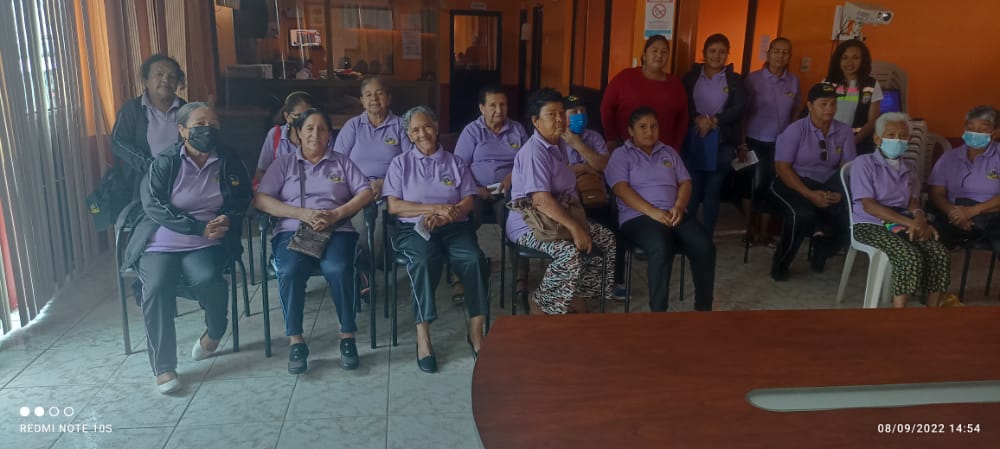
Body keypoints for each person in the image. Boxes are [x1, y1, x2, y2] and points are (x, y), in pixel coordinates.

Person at [122, 102, 252, 394]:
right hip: (162, 239)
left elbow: (243, 196)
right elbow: (153, 204)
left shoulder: (228, 160)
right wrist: (195, 227)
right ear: (182, 130)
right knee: (156, 286)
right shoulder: (165, 162)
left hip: (208, 239)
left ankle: (215, 331)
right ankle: (164, 367)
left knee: (207, 278)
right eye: (199, 124)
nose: (208, 130)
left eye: (213, 124)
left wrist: (229, 218)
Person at [255, 108, 374, 375]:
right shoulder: (284, 163)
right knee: (289, 270)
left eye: (322, 129)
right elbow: (261, 199)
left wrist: (336, 214)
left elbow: (365, 192)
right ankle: (296, 339)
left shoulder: (341, 162)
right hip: (292, 230)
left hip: (337, 230)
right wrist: (302, 214)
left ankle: (347, 335)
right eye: (309, 128)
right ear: (298, 133)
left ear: (330, 134)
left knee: (338, 268)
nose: (315, 134)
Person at [383, 106, 490, 373]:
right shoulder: (400, 164)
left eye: (427, 127)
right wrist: (434, 209)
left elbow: (468, 200)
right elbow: (394, 206)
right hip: (414, 228)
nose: (423, 134)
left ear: (436, 126)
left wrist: (447, 216)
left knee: (474, 259)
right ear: (409, 135)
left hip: (454, 226)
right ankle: (423, 336)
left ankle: (476, 331)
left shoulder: (455, 162)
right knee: (422, 261)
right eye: (416, 130)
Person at [507, 88, 617, 315]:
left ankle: (577, 295)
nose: (559, 119)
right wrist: (575, 228)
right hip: (530, 225)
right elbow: (541, 200)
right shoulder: (534, 152)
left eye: (560, 113)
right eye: (551, 114)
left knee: (605, 240)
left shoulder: (559, 145)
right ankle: (540, 303)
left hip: (558, 217)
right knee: (569, 252)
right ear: (536, 121)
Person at [605, 107, 715, 311]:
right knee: (661, 245)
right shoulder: (621, 155)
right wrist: (653, 212)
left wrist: (679, 206)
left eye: (654, 126)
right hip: (638, 217)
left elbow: (685, 182)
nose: (649, 132)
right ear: (630, 131)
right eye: (643, 127)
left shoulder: (669, 152)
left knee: (704, 244)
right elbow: (620, 189)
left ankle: (703, 309)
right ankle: (658, 314)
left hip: (673, 213)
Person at [850, 112, 948, 308]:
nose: (897, 140)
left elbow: (913, 200)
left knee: (939, 253)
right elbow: (869, 205)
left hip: (903, 221)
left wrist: (919, 218)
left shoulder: (909, 167)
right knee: (909, 255)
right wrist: (910, 223)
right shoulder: (864, 163)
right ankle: (899, 313)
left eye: (903, 136)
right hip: (870, 223)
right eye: (891, 135)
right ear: (877, 139)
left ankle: (933, 312)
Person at [770, 83, 857, 281]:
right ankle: (781, 264)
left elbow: (848, 167)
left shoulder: (843, 131)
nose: (829, 109)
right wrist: (809, 194)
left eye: (833, 104)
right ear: (810, 106)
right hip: (793, 181)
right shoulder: (795, 130)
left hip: (827, 183)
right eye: (823, 104)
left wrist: (841, 193)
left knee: (854, 215)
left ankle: (823, 249)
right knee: (802, 215)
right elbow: (782, 167)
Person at [334, 77, 412, 295]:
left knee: (378, 223)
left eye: (379, 93)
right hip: (356, 190)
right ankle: (363, 271)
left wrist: (384, 183)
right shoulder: (353, 126)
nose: (374, 99)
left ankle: (362, 270)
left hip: (390, 190)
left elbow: (411, 164)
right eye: (368, 95)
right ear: (361, 100)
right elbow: (337, 163)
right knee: (357, 222)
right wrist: (361, 186)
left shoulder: (401, 126)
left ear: (388, 97)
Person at [454, 85, 530, 296]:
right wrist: (476, 189)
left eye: (503, 105)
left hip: (508, 191)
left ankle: (521, 276)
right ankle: (461, 274)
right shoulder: (472, 131)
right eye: (493, 105)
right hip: (476, 191)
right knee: (465, 220)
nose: (499, 110)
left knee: (514, 220)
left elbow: (527, 161)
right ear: (482, 108)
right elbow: (458, 166)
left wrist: (511, 176)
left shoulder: (517, 130)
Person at [681, 33, 747, 235]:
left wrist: (714, 121)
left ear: (728, 54)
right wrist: (698, 119)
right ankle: (689, 235)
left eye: (722, 52)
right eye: (712, 51)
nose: (717, 56)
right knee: (692, 189)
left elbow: (739, 108)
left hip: (722, 142)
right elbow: (682, 104)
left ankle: (707, 236)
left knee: (713, 191)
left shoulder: (735, 80)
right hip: (694, 140)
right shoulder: (690, 77)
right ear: (704, 53)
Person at [740, 37, 800, 245]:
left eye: (785, 52)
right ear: (768, 54)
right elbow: (743, 113)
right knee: (749, 186)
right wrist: (742, 142)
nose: (780, 56)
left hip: (779, 144)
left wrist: (791, 137)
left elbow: (795, 111)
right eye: (776, 51)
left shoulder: (793, 81)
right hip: (753, 139)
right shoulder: (753, 79)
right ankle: (749, 228)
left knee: (770, 187)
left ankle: (764, 232)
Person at [928, 105, 1000, 252]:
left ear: (995, 132)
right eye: (970, 128)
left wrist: (972, 211)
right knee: (930, 239)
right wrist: (952, 213)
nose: (975, 133)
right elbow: (937, 193)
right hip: (954, 213)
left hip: (991, 214)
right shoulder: (949, 157)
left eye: (982, 129)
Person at [112, 54, 187, 192]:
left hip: (182, 181)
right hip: (143, 182)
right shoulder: (132, 109)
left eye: (172, 76)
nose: (166, 79)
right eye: (159, 74)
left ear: (177, 82)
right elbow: (118, 142)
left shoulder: (187, 110)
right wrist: (149, 166)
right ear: (146, 81)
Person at [601, 35, 688, 152]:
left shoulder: (676, 85)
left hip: (662, 153)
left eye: (664, 52)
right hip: (627, 149)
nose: (659, 55)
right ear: (645, 55)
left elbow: (682, 119)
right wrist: (610, 138)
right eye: (654, 51)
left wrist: (675, 149)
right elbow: (606, 107)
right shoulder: (625, 77)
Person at [825, 39, 881, 155]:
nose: (849, 63)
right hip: (828, 143)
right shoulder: (828, 83)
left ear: (863, 60)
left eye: (855, 58)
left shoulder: (871, 85)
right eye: (844, 58)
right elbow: (818, 115)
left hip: (858, 145)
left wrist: (851, 143)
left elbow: (872, 121)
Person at [254, 91, 319, 186]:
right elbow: (260, 171)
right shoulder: (275, 134)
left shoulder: (320, 136)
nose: (304, 120)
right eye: (299, 115)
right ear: (287, 116)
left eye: (308, 115)